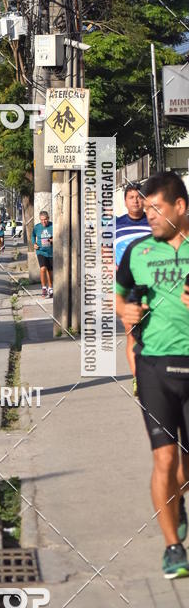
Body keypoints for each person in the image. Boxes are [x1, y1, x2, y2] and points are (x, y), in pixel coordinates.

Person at [116, 171, 189, 579]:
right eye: (146, 211)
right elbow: (120, 296)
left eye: (157, 210)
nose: (149, 218)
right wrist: (126, 313)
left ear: (180, 206)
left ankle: (176, 506)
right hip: (154, 366)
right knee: (163, 459)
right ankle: (173, 546)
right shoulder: (139, 252)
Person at [116, 184, 152, 396]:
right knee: (132, 335)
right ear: (125, 200)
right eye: (131, 197)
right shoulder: (117, 225)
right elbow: (106, 252)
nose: (136, 201)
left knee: (150, 335)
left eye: (139, 197)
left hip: (153, 288)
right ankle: (138, 379)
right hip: (127, 288)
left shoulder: (153, 222)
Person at [32, 211, 53, 297]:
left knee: (50, 271)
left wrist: (52, 239)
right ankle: (44, 288)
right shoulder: (37, 227)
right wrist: (34, 243)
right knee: (43, 268)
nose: (43, 222)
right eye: (42, 220)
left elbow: (58, 234)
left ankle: (50, 288)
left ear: (48, 218)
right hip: (41, 251)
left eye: (45, 220)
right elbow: (33, 235)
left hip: (51, 251)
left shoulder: (53, 226)